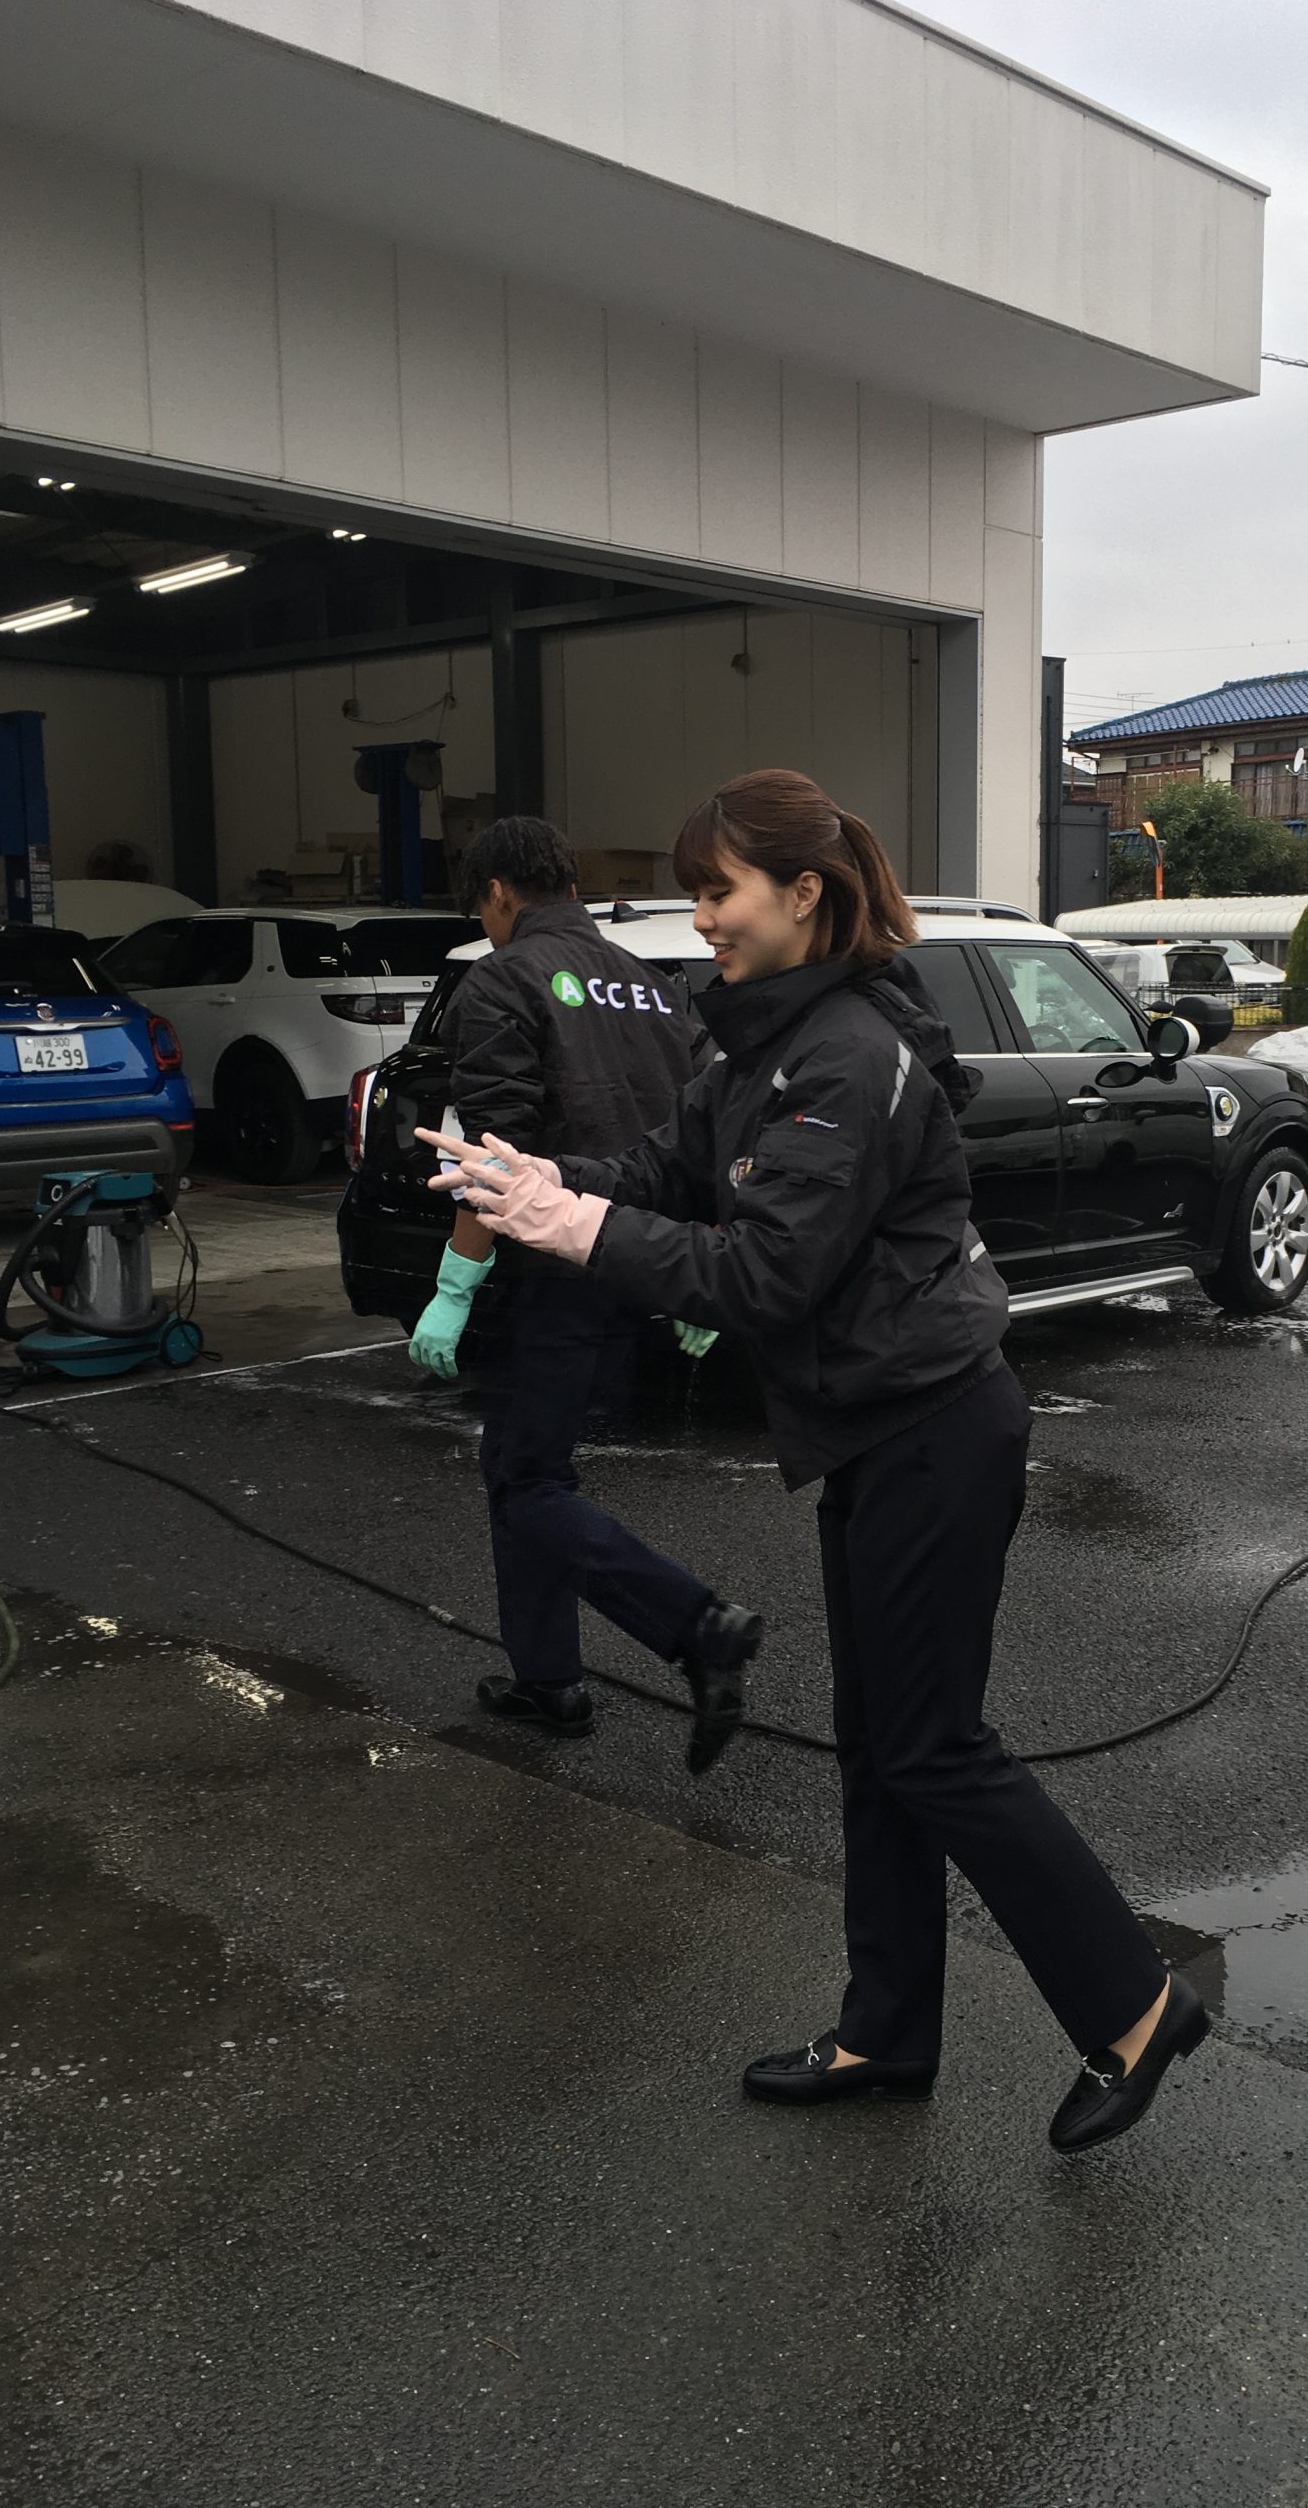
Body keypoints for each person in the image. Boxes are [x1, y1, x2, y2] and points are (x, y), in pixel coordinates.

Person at [422, 771, 1206, 2153]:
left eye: (717, 890)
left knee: (934, 1747)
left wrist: (570, 1231)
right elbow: (663, 1169)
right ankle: (886, 2029)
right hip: (872, 1429)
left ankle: (1136, 2002)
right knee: (877, 1747)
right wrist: (539, 1180)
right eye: (695, 891)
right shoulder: (760, 1040)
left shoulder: (848, 1053)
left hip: (934, 1430)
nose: (699, 917)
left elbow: (765, 1274)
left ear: (803, 892)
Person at [409, 814, 761, 1769]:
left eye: (481, 910)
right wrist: (698, 1268)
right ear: (569, 884)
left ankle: (697, 1624)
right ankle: (546, 1678)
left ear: (497, 895)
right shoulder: (651, 983)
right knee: (528, 1469)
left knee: (528, 1480)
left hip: (552, 1269)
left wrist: (456, 1281)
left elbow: (495, 1156)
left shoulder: (503, 979)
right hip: (647, 1255)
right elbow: (705, 1140)